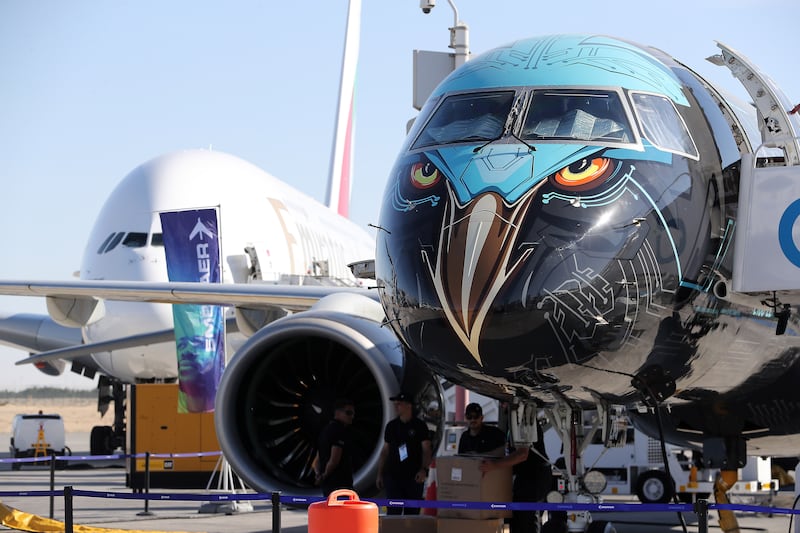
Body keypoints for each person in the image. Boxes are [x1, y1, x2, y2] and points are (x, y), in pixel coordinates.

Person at [480, 416, 552, 533]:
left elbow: (522, 454)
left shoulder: (523, 418)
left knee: (525, 519)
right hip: (524, 476)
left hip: (534, 476)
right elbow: (508, 450)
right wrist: (481, 456)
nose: (503, 405)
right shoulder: (514, 419)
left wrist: (494, 465)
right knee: (517, 518)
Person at [376, 391, 432, 515]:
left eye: (399, 404)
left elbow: (426, 450)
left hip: (413, 477)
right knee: (393, 512)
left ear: (409, 405)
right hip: (393, 477)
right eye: (395, 404)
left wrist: (424, 470)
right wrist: (379, 473)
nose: (396, 406)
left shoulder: (420, 426)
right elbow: (385, 451)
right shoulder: (391, 426)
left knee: (411, 514)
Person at [314, 399, 356, 497]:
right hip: (340, 483)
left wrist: (318, 474)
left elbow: (317, 459)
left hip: (327, 485)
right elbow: (334, 460)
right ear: (338, 412)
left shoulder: (324, 430)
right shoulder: (340, 431)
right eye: (349, 413)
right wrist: (325, 475)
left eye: (353, 414)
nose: (352, 417)